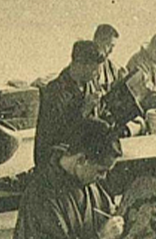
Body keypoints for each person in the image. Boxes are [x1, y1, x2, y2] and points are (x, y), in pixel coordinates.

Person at [11, 117, 126, 239]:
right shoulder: (42, 196)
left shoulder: (87, 183)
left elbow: (105, 208)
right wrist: (101, 237)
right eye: (100, 171)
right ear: (81, 160)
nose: (103, 177)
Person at [33, 40, 106, 170]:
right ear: (80, 64)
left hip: (79, 149)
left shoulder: (88, 84)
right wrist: (83, 111)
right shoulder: (55, 91)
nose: (97, 74)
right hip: (53, 157)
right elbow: (57, 136)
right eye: (94, 70)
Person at [90, 24, 126, 96]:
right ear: (97, 41)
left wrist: (121, 82)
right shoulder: (85, 64)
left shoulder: (110, 67)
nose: (111, 51)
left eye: (113, 47)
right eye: (109, 45)